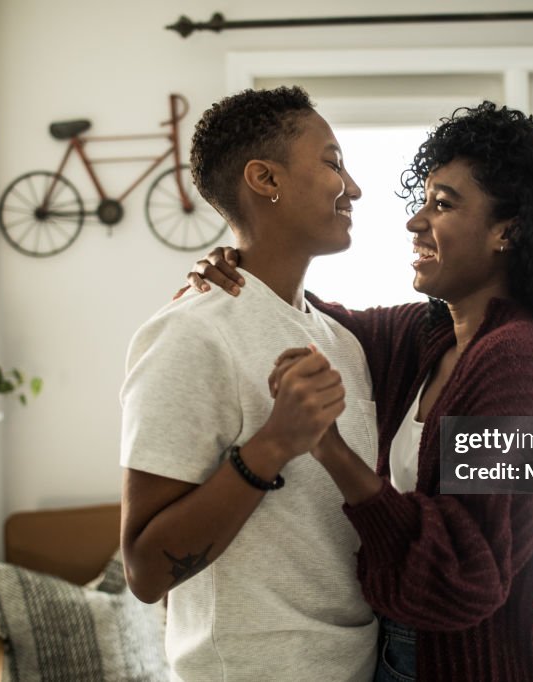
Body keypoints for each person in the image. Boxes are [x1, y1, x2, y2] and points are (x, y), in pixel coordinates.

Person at [187, 102, 533, 681]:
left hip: (462, 666)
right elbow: (308, 315)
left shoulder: (518, 359)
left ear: (508, 230)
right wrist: (233, 268)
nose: (414, 222)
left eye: (443, 204)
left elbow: (466, 579)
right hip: (398, 650)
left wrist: (333, 452)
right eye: (422, 201)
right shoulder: (423, 335)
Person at [119, 86, 382, 681]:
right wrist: (272, 445)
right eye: (334, 163)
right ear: (266, 179)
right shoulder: (190, 335)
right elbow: (145, 572)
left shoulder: (344, 342)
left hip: (354, 665)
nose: (355, 187)